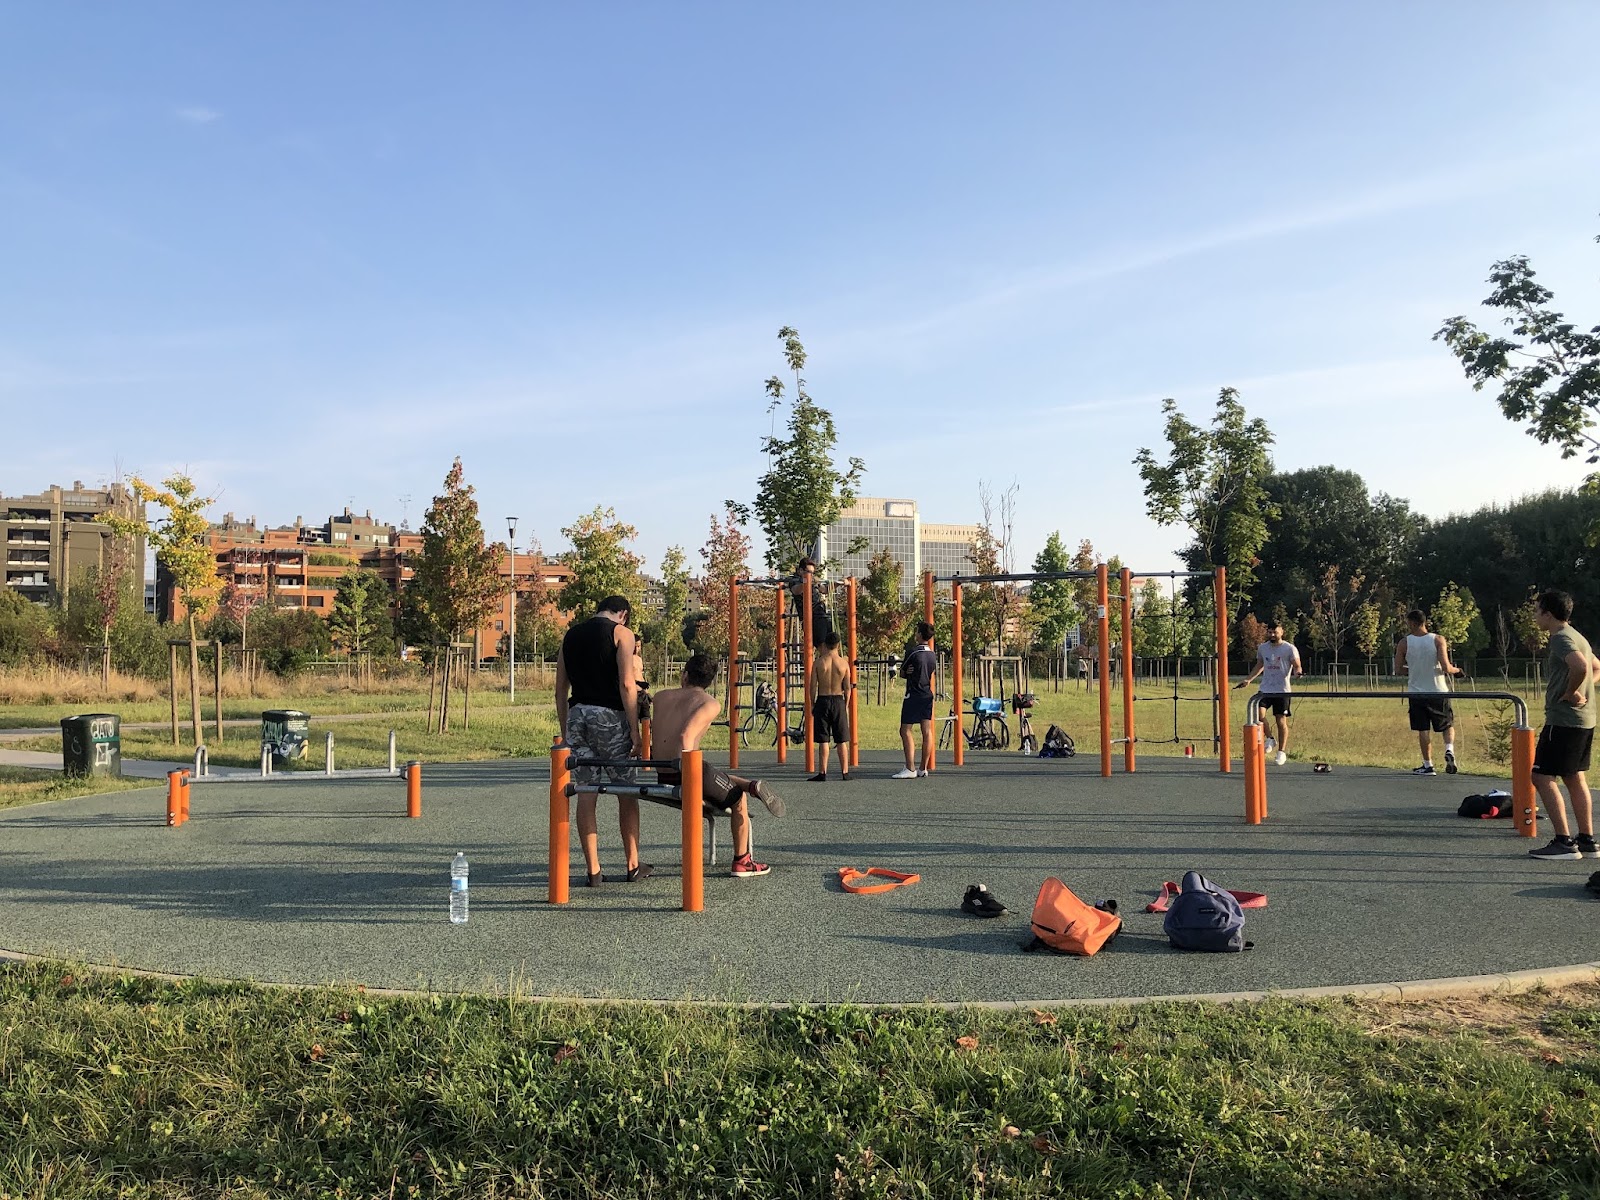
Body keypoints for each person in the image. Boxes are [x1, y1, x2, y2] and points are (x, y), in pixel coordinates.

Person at [649, 653, 785, 878]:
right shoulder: (709, 703)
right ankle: (743, 861)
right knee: (737, 797)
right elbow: (685, 736)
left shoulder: (661, 696)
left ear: (684, 675)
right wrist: (688, 771)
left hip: (663, 771)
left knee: (713, 774)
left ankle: (752, 785)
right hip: (688, 769)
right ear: (710, 680)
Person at [554, 595, 647, 887]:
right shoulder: (621, 633)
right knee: (626, 791)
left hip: (577, 715)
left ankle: (593, 870)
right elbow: (627, 682)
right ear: (623, 613)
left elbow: (560, 688)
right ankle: (632, 864)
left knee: (586, 793)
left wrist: (565, 730)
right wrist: (634, 730)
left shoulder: (570, 635)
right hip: (609, 717)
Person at [1527, 590, 1600, 861]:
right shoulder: (1578, 636)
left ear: (1548, 614)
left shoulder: (1560, 638)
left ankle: (1564, 843)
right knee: (1574, 777)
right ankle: (1587, 841)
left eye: (1537, 611)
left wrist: (1570, 693)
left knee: (1541, 777)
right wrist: (1581, 689)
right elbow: (1596, 667)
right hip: (1584, 720)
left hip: (1564, 720)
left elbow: (1581, 666)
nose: (1535, 616)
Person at [1395, 608, 1464, 775]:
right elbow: (1446, 667)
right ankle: (1449, 749)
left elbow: (1398, 670)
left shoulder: (1404, 643)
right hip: (1438, 690)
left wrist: (1415, 670)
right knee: (1447, 724)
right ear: (1425, 622)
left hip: (1417, 692)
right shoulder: (1438, 640)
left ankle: (1428, 765)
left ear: (1411, 623)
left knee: (1423, 729)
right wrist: (1458, 671)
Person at [1235, 621, 1301, 765]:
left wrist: (1298, 672)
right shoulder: (1263, 648)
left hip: (1282, 690)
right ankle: (1270, 738)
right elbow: (1260, 665)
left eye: (1275, 632)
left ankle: (1281, 752)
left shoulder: (1289, 648)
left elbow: (1296, 664)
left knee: (1280, 720)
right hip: (1266, 688)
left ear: (1281, 632)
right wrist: (1249, 679)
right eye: (1269, 632)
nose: (1272, 635)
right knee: (1259, 715)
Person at [806, 630, 853, 781]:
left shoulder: (819, 663)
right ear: (838, 645)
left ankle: (822, 772)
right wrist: (846, 704)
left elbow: (812, 686)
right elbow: (847, 688)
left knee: (823, 739)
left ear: (825, 644)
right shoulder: (844, 664)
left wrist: (812, 703)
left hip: (823, 699)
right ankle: (844, 772)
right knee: (841, 739)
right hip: (838, 700)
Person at [894, 621, 938, 779]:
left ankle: (910, 767)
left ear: (919, 634)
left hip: (913, 694)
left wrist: (909, 672)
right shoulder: (932, 654)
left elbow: (903, 672)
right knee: (927, 731)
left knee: (905, 730)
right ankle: (923, 768)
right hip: (927, 694)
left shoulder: (913, 653)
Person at [790, 557, 835, 649]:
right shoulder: (795, 580)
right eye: (808, 572)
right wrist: (806, 582)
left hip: (822, 614)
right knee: (823, 647)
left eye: (812, 572)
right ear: (800, 571)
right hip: (812, 618)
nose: (811, 574)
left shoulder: (813, 581)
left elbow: (825, 590)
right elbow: (796, 590)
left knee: (833, 645)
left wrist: (838, 584)